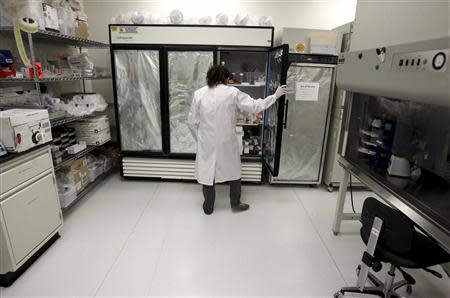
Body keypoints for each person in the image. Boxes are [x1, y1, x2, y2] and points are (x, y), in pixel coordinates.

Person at [188, 64, 287, 215]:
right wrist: (275, 96)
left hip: (206, 142)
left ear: (210, 77)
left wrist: (200, 138)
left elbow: (192, 121)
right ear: (225, 78)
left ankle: (208, 206)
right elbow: (254, 106)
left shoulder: (199, 94)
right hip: (227, 142)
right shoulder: (232, 93)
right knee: (234, 172)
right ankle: (235, 204)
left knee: (207, 173)